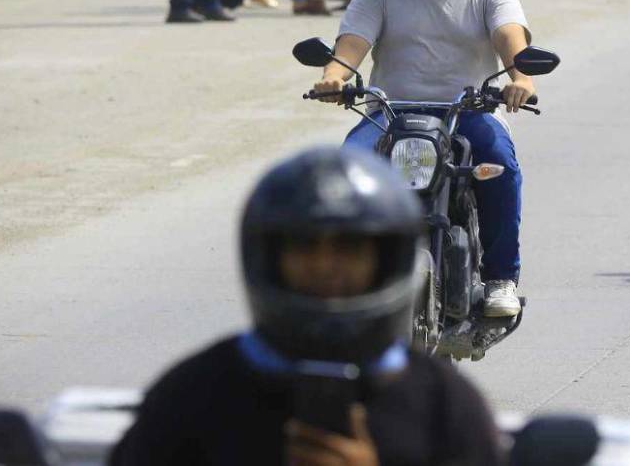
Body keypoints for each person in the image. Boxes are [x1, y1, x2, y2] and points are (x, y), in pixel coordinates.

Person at [110, 146, 504, 466]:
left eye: (349, 247)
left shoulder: (445, 405)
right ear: (268, 257)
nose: (325, 265)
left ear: (386, 259)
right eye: (304, 246)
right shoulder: (193, 394)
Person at [312, 0, 536, 318]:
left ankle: (500, 278)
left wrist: (521, 78)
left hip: (466, 112)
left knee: (502, 168)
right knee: (346, 174)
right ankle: (346, 276)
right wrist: (335, 76)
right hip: (389, 114)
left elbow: (512, 39)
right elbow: (351, 47)